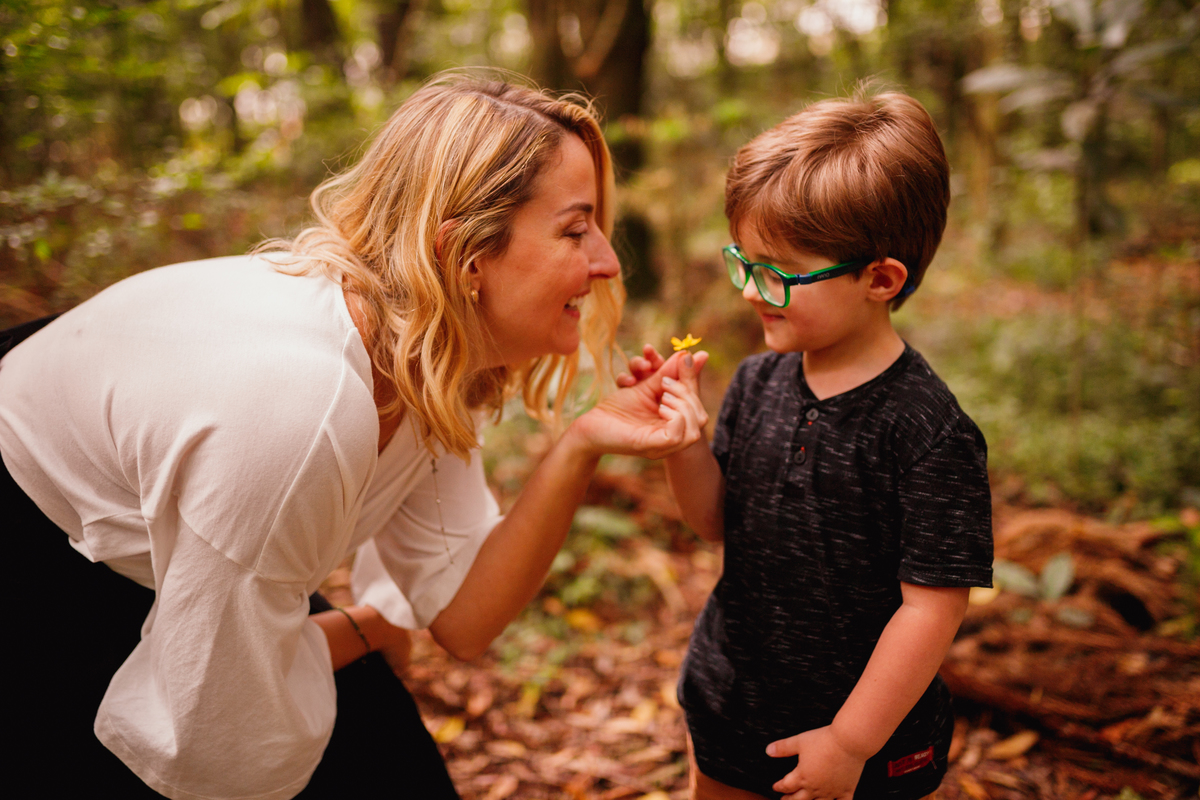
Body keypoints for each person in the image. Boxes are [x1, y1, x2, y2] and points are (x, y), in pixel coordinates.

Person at [0, 75, 706, 800]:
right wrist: (365, 632)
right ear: (466, 255)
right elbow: (211, 741)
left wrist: (580, 445)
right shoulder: (296, 408)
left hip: (168, 548)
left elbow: (465, 616)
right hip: (31, 538)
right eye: (575, 230)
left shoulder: (423, 353)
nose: (607, 262)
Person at [628, 90, 994, 800]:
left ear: (879, 279)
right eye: (743, 261)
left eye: (777, 273)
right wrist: (682, 444)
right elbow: (716, 523)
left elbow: (933, 609)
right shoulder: (757, 382)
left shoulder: (927, 431)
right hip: (732, 700)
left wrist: (850, 741)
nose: (749, 291)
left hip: (866, 739)